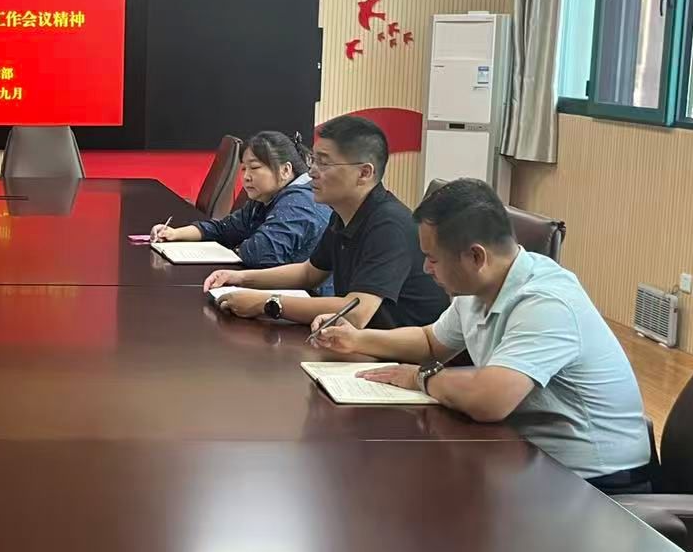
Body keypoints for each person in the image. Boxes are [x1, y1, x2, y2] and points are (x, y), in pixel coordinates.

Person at [314, 179, 652, 488]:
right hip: (525, 456)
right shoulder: (479, 288)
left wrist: (420, 378)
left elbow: (490, 400)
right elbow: (432, 342)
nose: (425, 268)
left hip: (596, 484)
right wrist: (356, 338)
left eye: (432, 259)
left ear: (476, 256)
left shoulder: (547, 303)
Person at [203, 114, 447, 330]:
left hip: (399, 355)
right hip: (356, 342)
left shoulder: (388, 224)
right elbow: (309, 273)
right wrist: (240, 279)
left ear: (364, 173)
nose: (312, 172)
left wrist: (267, 303)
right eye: (313, 161)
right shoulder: (344, 213)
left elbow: (356, 312)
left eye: (324, 163)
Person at [150, 131, 330, 269]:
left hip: (308, 300)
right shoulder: (265, 196)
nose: (246, 177)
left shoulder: (300, 202)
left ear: (285, 170)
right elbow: (224, 229)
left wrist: (237, 248)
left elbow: (259, 255)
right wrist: (175, 234)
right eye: (243, 169)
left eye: (254, 168)